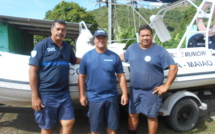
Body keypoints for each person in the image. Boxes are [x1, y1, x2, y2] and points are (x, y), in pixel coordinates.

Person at [120, 25, 178, 134]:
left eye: (148, 35)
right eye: (143, 36)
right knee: (132, 114)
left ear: (152, 36)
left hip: (152, 91)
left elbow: (173, 68)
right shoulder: (132, 48)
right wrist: (105, 59)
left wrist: (166, 86)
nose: (145, 38)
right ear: (139, 36)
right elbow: (120, 58)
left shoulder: (160, 51)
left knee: (151, 116)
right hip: (135, 90)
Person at [29, 19, 80, 134]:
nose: (60, 32)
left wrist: (90, 59)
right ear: (52, 30)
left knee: (69, 121)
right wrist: (35, 96)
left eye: (63, 30)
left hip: (64, 93)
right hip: (46, 94)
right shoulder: (42, 46)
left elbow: (75, 60)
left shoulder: (67, 47)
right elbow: (32, 71)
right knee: (47, 127)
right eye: (58, 29)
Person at [78, 29, 128, 134]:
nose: (101, 40)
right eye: (98, 37)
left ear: (106, 39)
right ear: (94, 40)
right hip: (94, 98)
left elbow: (121, 76)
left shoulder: (114, 56)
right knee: (95, 130)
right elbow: (81, 77)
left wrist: (124, 94)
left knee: (112, 128)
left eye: (103, 37)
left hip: (111, 97)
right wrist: (82, 95)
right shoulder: (87, 57)